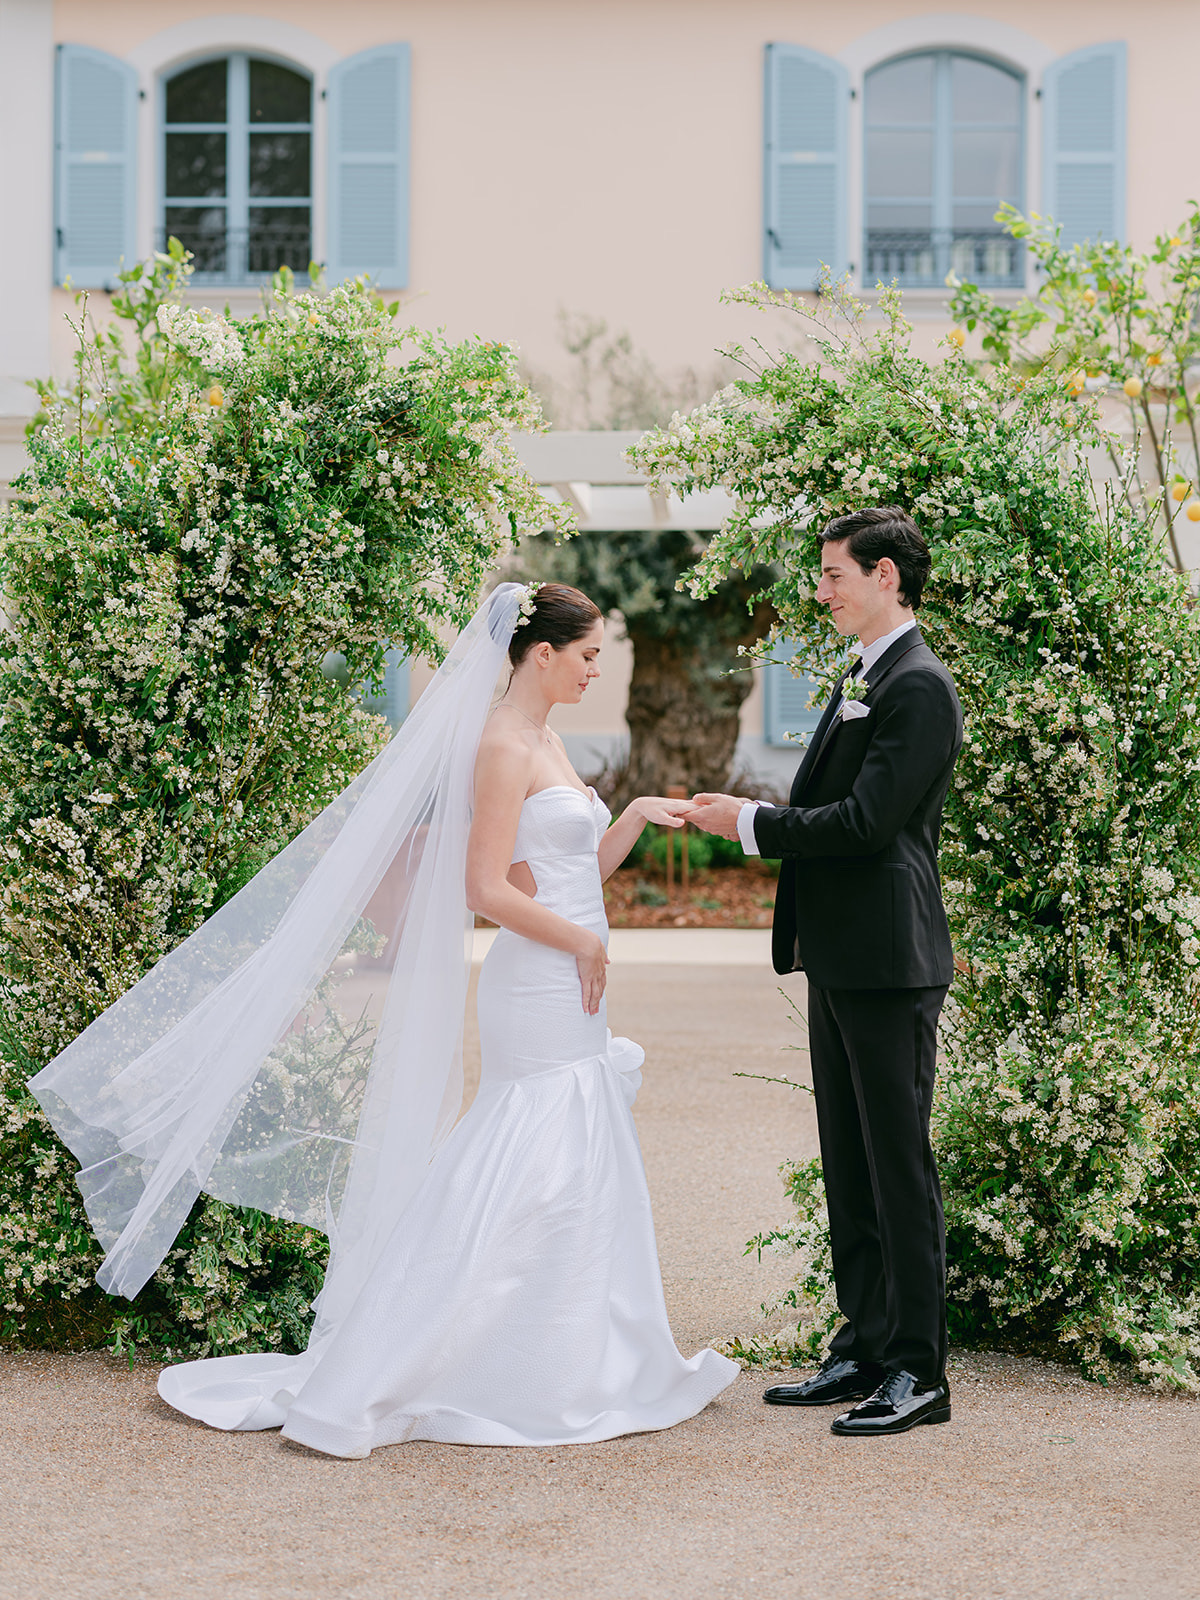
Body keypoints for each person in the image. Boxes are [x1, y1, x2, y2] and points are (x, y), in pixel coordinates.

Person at [30, 582, 736, 1457]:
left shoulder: (548, 738)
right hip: (538, 981)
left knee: (571, 1153)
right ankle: (449, 1352)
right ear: (542, 653)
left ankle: (566, 1353)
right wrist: (583, 944)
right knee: (526, 1146)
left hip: (571, 977)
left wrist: (629, 817)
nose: (597, 670)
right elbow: (483, 889)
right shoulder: (500, 744)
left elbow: (574, 872)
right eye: (588, 655)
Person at [688, 508, 963, 1437]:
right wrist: (758, 814)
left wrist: (748, 824)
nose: (821, 589)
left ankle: (919, 1371)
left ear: (885, 575)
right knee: (849, 1161)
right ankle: (864, 1346)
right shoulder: (864, 673)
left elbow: (867, 824)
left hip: (890, 960)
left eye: (834, 573)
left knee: (898, 1165)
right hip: (842, 953)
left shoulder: (919, 686)